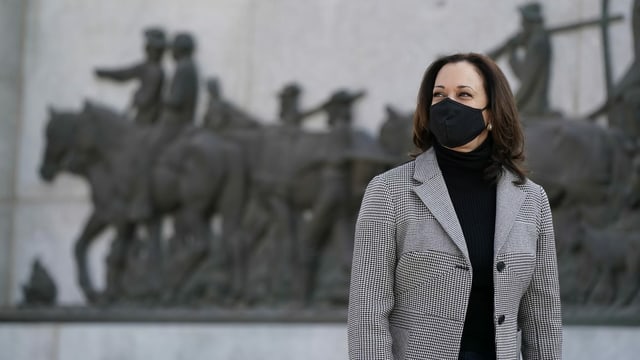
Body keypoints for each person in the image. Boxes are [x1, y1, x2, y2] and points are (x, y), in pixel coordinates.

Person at [348, 53, 562, 360]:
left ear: (491, 112)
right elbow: (367, 313)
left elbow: (543, 317)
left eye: (464, 94)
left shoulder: (531, 199)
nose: (449, 105)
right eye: (439, 95)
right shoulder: (388, 192)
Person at [95, 27, 166, 125]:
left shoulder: (155, 71)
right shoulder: (146, 66)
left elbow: (146, 97)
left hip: (148, 117)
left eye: (150, 46)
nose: (146, 48)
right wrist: (104, 73)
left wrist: (136, 98)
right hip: (142, 114)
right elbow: (124, 74)